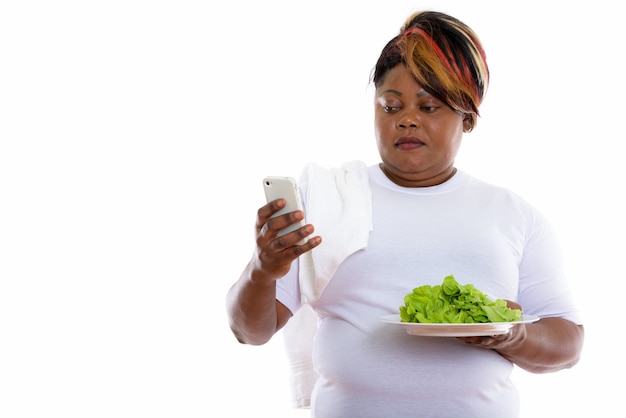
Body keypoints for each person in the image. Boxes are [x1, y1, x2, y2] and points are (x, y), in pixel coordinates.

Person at [225, 10, 584, 418]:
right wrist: (261, 269)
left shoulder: (512, 214)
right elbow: (248, 332)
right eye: (390, 106)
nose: (407, 119)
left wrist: (510, 334)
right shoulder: (329, 200)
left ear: (467, 118)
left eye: (428, 107)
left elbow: (568, 345)